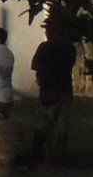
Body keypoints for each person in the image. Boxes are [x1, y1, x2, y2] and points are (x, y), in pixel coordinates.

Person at [31, 18, 78, 164]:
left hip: (49, 89)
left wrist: (44, 73)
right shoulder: (70, 48)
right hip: (65, 89)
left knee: (43, 123)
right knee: (63, 126)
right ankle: (60, 157)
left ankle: (38, 154)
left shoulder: (45, 47)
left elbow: (35, 65)